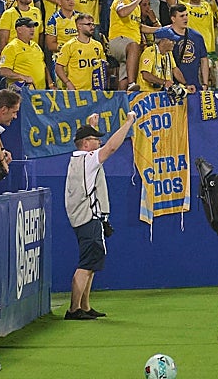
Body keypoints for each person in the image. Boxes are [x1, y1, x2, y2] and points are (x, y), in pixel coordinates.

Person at [63, 109, 138, 320]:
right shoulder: (87, 160)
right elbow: (112, 147)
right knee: (86, 264)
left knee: (91, 264)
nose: (99, 144)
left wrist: (91, 124)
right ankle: (73, 309)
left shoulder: (80, 159)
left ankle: (84, 306)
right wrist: (128, 123)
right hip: (88, 217)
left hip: (88, 217)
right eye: (95, 140)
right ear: (85, 144)